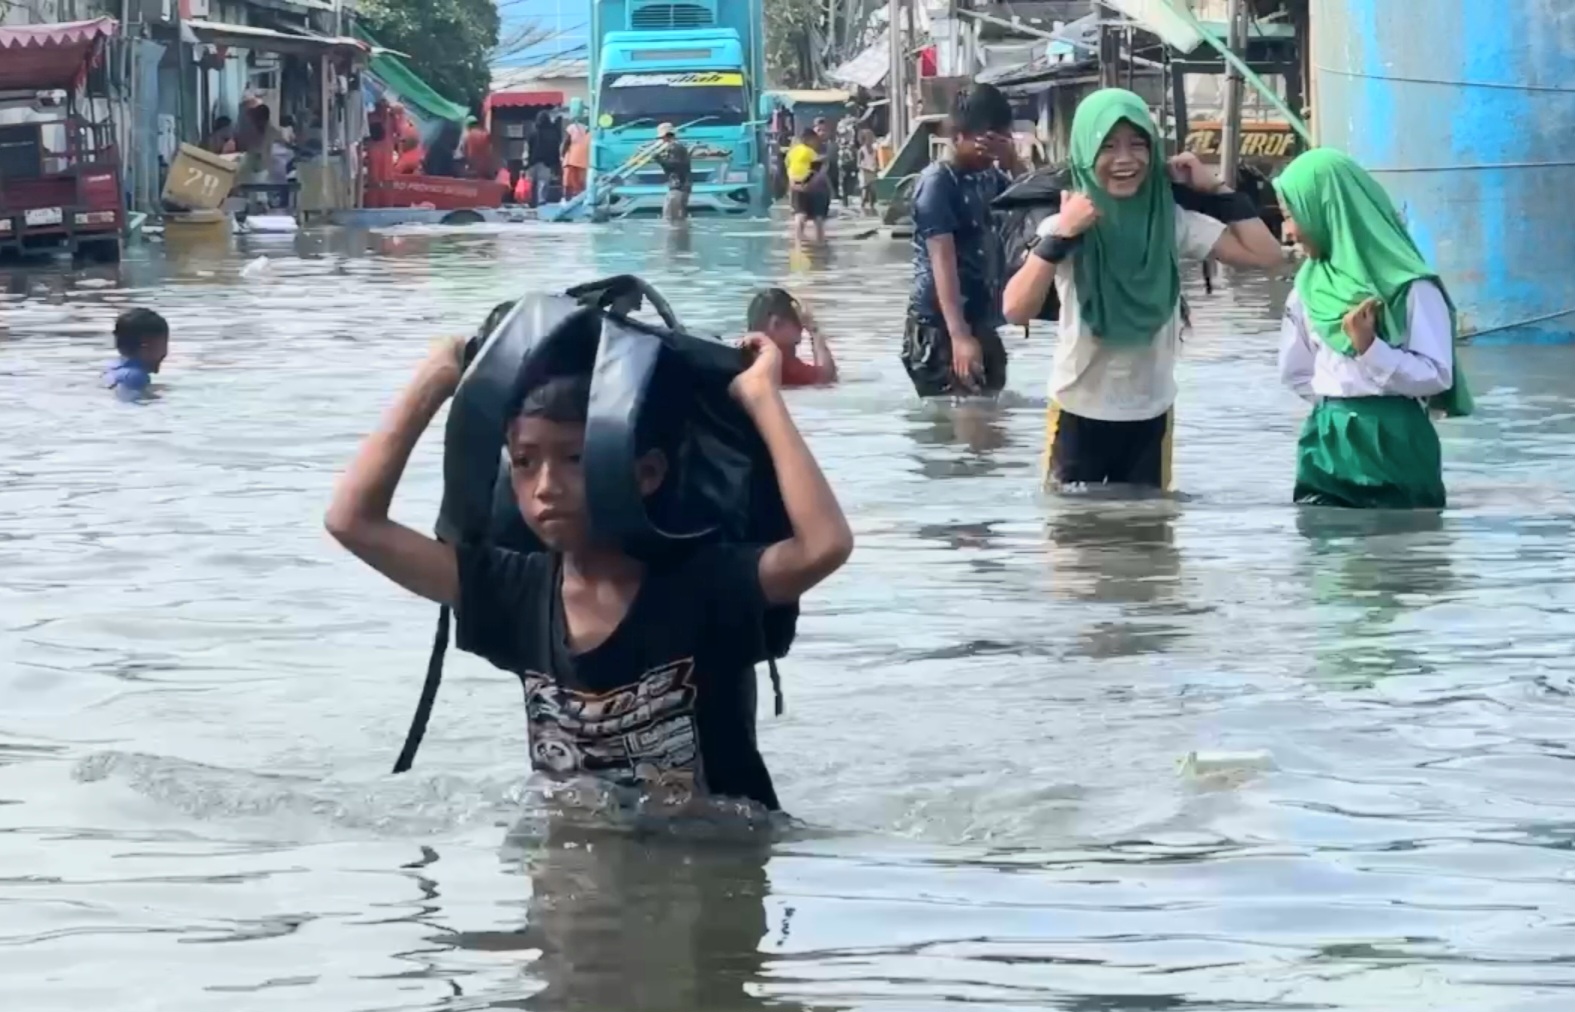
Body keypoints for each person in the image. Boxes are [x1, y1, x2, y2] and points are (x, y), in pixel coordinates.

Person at [323, 334, 853, 813]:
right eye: (525, 462)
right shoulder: (515, 592)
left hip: (713, 870)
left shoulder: (706, 586)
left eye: (575, 458)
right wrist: (439, 373)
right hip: (574, 880)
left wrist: (761, 395)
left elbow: (824, 545)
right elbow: (353, 520)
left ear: (646, 474)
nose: (546, 486)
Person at [1000, 88, 1285, 491]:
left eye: (1138, 145)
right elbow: (1014, 310)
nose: (1125, 159)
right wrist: (1062, 235)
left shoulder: (1170, 221)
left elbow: (1267, 256)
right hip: (1077, 414)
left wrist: (1217, 191)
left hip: (1150, 416)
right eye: (1109, 146)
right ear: (1085, 153)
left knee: (1151, 544)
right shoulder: (1065, 227)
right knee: (1070, 541)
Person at [1274, 147, 1472, 509]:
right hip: (1327, 440)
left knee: (1403, 553)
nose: (1288, 231)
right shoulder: (1307, 290)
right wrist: (1338, 412)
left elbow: (1438, 375)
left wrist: (1371, 351)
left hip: (1398, 439)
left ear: (1329, 211)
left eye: (1292, 215)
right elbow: (1295, 372)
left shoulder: (1411, 288)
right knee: (1325, 555)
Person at [902, 82, 1019, 398]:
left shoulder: (991, 177)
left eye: (999, 140)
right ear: (958, 136)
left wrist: (1014, 162)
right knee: (966, 422)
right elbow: (943, 261)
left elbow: (1032, 208)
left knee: (991, 420)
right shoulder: (938, 183)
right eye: (985, 142)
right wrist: (959, 337)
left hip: (980, 318)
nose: (990, 153)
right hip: (940, 325)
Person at [746, 287, 838, 387]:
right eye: (797, 320)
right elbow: (827, 377)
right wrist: (813, 329)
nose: (802, 327)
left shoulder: (743, 353)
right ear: (776, 324)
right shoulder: (782, 362)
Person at [103, 309, 168, 400]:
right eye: (164, 344)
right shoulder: (137, 376)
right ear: (147, 346)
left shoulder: (112, 368)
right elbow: (130, 403)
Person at [785, 127, 829, 242]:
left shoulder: (792, 152)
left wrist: (792, 184)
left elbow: (789, 168)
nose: (816, 143)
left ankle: (798, 238)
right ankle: (820, 238)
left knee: (800, 214)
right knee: (818, 215)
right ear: (808, 139)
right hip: (810, 185)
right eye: (814, 140)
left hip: (795, 184)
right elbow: (817, 169)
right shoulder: (809, 151)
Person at [653, 123, 691, 221]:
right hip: (680, 186)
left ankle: (676, 235)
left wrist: (659, 160)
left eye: (662, 137)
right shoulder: (676, 147)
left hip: (678, 186)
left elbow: (674, 165)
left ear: (666, 136)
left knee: (671, 217)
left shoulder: (675, 148)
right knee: (677, 216)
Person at [525, 110, 561, 206]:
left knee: (531, 183)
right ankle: (541, 202)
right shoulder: (552, 134)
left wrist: (525, 163)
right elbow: (555, 149)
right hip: (546, 163)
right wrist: (556, 163)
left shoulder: (532, 133)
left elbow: (527, 148)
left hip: (532, 162)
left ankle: (530, 201)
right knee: (543, 184)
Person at [561, 114, 590, 198]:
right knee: (581, 181)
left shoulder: (572, 127)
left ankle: (567, 198)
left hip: (571, 157)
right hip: (583, 158)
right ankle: (580, 197)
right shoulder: (588, 129)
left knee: (568, 180)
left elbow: (566, 141)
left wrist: (562, 153)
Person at [463, 116, 498, 181]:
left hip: (473, 168)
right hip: (485, 169)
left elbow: (465, 152)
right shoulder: (485, 134)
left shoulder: (467, 136)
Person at [857, 128, 880, 214]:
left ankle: (872, 207)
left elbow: (876, 160)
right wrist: (866, 168)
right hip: (865, 173)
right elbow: (858, 164)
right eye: (868, 138)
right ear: (863, 140)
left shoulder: (875, 149)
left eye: (871, 137)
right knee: (865, 191)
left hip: (873, 172)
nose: (870, 140)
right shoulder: (861, 151)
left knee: (873, 191)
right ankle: (862, 207)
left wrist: (877, 167)